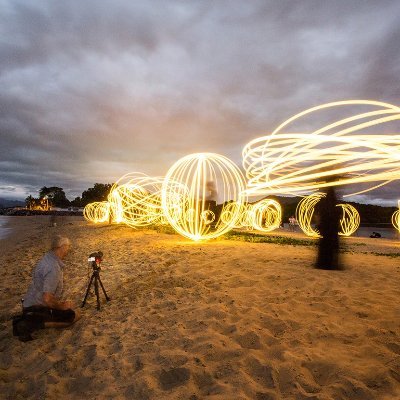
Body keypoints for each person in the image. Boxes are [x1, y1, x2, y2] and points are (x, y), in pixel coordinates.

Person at [13, 235, 80, 341]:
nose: (68, 249)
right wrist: (62, 306)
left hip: (30, 302)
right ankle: (31, 323)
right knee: (72, 316)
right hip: (37, 306)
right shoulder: (53, 267)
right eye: (68, 246)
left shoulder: (47, 257)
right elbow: (47, 299)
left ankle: (31, 318)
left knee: (67, 309)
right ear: (61, 247)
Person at [315, 186, 341, 270]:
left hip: (326, 232)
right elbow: (337, 221)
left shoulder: (324, 207)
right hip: (331, 233)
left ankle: (323, 264)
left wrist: (319, 226)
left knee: (325, 247)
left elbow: (320, 218)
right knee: (330, 248)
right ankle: (330, 264)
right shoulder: (336, 209)